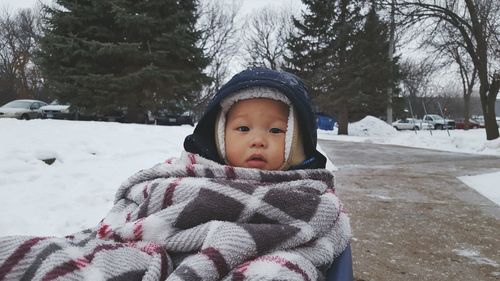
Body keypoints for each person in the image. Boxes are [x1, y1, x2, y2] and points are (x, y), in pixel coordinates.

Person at [0, 68, 351, 281]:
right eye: (243, 128)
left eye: (276, 132)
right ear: (219, 135)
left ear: (297, 144)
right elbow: (145, 203)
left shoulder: (308, 197)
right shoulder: (190, 173)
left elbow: (321, 239)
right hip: (156, 251)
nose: (258, 139)